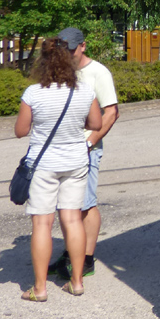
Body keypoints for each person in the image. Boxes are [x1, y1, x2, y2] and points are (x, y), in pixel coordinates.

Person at [15, 37, 102, 301]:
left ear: (42, 63)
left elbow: (20, 131)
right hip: (76, 163)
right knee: (73, 219)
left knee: (42, 222)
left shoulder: (33, 93)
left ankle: (40, 289)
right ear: (68, 61)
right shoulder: (84, 91)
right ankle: (76, 282)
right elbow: (96, 123)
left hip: (44, 166)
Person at [47, 27, 119, 280]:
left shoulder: (98, 72)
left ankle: (86, 259)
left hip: (86, 149)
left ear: (83, 46)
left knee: (85, 205)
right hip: (61, 149)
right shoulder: (60, 71)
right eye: (62, 51)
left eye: (70, 50)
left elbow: (111, 113)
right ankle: (71, 254)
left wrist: (90, 143)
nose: (66, 55)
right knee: (67, 207)